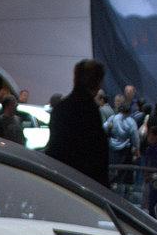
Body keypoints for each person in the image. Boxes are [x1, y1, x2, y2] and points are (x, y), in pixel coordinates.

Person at [44, 58, 110, 186]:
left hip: (61, 179)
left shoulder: (61, 107)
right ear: (97, 82)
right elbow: (96, 154)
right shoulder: (90, 110)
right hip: (85, 183)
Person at [104, 100, 140, 193]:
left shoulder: (113, 118)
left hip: (112, 146)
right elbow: (135, 137)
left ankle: (109, 186)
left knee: (111, 167)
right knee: (122, 171)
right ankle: (119, 189)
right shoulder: (131, 122)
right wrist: (137, 148)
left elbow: (104, 127)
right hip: (125, 149)